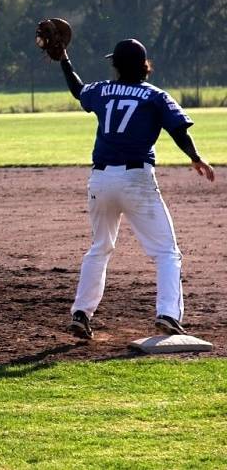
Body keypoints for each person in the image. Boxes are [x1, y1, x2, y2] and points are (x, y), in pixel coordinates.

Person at [59, 39, 215, 340]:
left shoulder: (103, 90)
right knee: (167, 252)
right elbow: (178, 129)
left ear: (116, 65)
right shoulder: (155, 96)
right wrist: (195, 157)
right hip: (136, 181)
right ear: (146, 64)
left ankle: (81, 313)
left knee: (100, 247)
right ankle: (168, 315)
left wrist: (64, 60)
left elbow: (79, 91)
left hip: (100, 180)